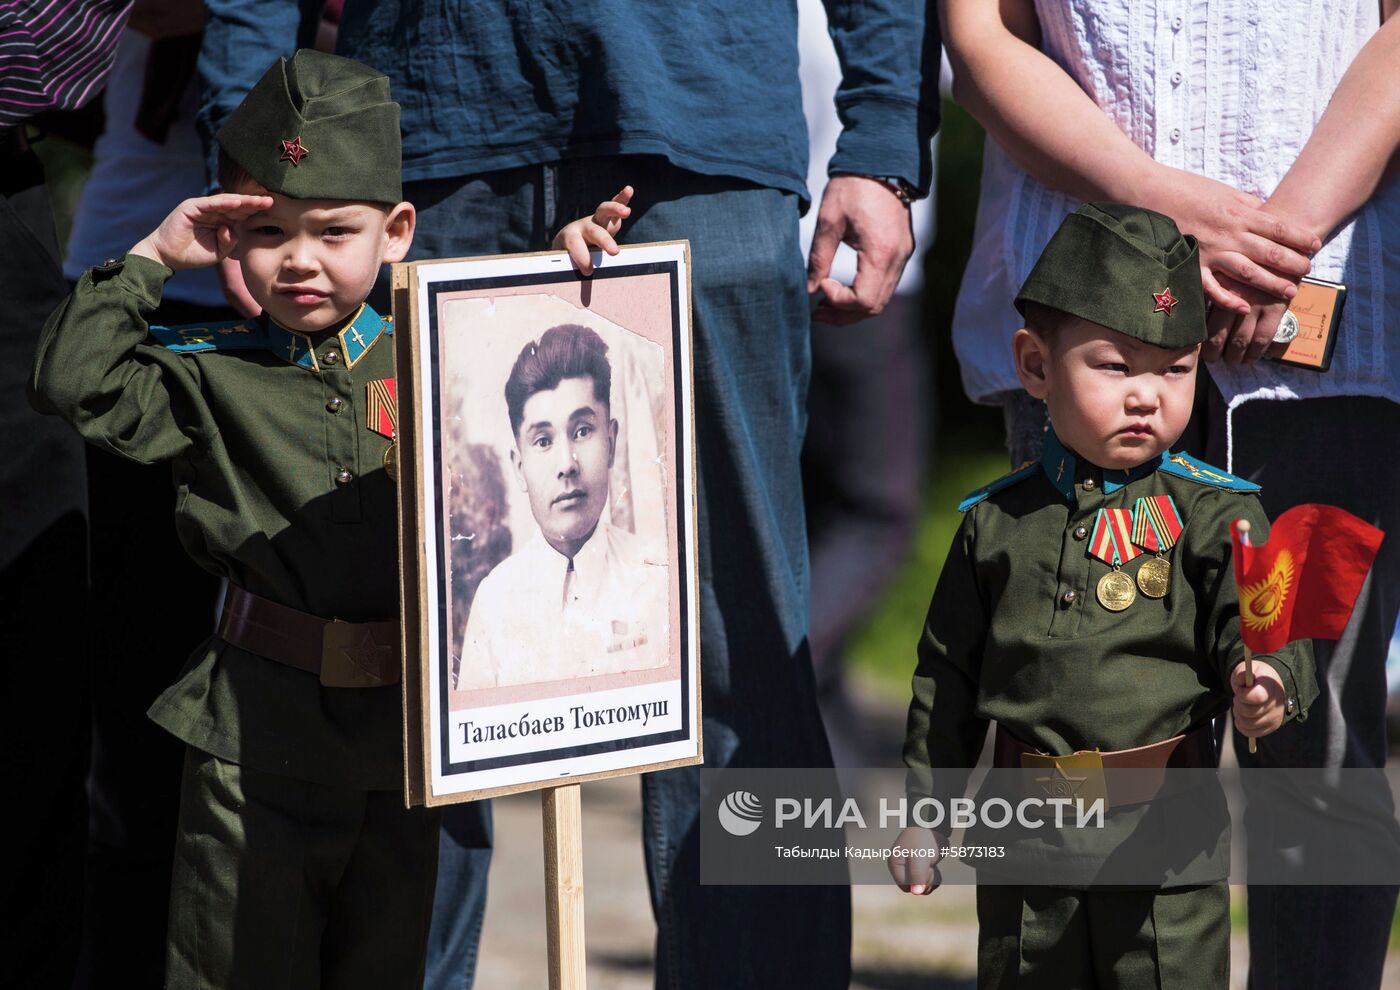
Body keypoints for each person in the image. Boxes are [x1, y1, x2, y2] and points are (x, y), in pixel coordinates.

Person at [197, 4, 941, 985]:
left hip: (701, 132)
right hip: (425, 137)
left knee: (737, 648)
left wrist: (881, 136)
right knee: (422, 656)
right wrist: (245, 137)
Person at [30, 49, 626, 988]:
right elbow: (70, 380)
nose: (299, 258)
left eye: (333, 230)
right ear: (228, 238)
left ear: (396, 232)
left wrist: (582, 271)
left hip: (401, 749)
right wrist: (153, 256)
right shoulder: (208, 373)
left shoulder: (443, 353)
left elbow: (546, 349)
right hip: (251, 746)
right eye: (266, 230)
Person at [941, 4, 1400, 984]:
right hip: (1084, 347)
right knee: (1087, 739)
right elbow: (981, 36)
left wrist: (1277, 240)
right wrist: (1155, 207)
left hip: (1320, 352)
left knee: (1313, 747)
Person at [889, 204, 1318, 988]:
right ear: (1034, 365)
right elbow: (944, 676)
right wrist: (927, 809)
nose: (1147, 396)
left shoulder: (1221, 513)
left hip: (1166, 843)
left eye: (1175, 369)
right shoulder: (995, 524)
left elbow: (1267, 626)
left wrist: (1270, 683)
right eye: (1115, 367)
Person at [461, 322, 669, 690]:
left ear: (611, 440)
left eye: (583, 431)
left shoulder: (658, 575)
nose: (567, 464)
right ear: (519, 466)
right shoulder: (495, 602)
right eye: (542, 440)